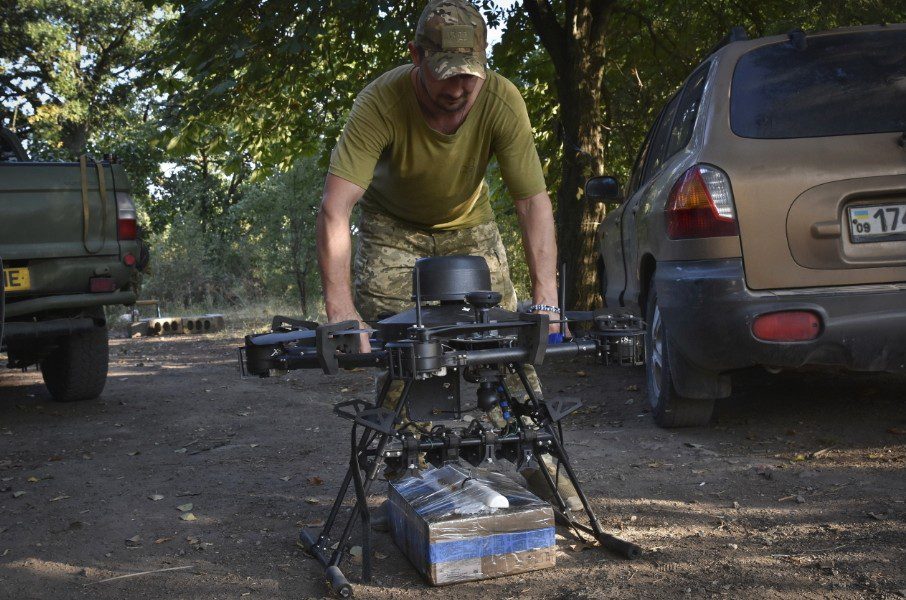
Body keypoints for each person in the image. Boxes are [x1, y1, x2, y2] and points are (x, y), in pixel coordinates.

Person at [315, 0, 580, 518]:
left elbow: (532, 202)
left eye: (470, 78)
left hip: (469, 227)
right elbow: (334, 209)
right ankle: (404, 468)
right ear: (415, 57)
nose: (459, 90)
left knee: (503, 339)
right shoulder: (380, 104)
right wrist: (342, 313)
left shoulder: (503, 100)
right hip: (392, 231)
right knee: (406, 343)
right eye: (445, 77)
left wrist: (546, 299)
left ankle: (543, 464)